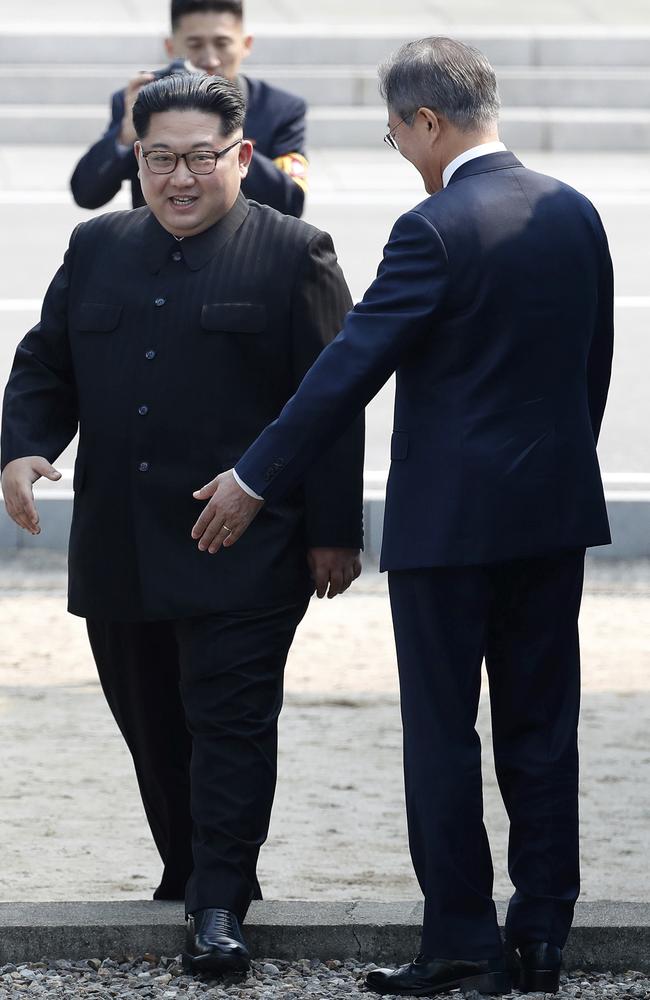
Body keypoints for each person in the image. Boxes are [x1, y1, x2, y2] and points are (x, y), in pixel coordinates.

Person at [188, 36, 614, 997]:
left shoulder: (432, 228)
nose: (402, 150)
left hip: (449, 527)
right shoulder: (573, 211)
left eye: (395, 135)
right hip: (553, 514)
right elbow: (594, 367)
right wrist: (552, 471)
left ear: (427, 121)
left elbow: (346, 370)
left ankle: (461, 939)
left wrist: (254, 478)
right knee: (545, 727)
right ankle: (542, 935)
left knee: (442, 732)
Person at [1, 73, 363, 975]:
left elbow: (332, 403)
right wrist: (21, 447)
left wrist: (332, 530)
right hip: (122, 546)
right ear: (138, 159)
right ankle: (194, 871)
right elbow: (45, 364)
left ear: (241, 156)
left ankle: (218, 906)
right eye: (160, 159)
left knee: (230, 722)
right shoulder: (96, 246)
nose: (181, 178)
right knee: (152, 726)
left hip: (247, 544)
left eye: (202, 157)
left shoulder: (296, 252)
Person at [70, 0, 308, 217]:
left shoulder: (280, 109)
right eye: (195, 45)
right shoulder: (144, 100)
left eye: (221, 44)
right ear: (170, 46)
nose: (210, 59)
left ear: (246, 45)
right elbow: (87, 194)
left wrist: (229, 135)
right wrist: (125, 134)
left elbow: (290, 204)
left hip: (248, 251)